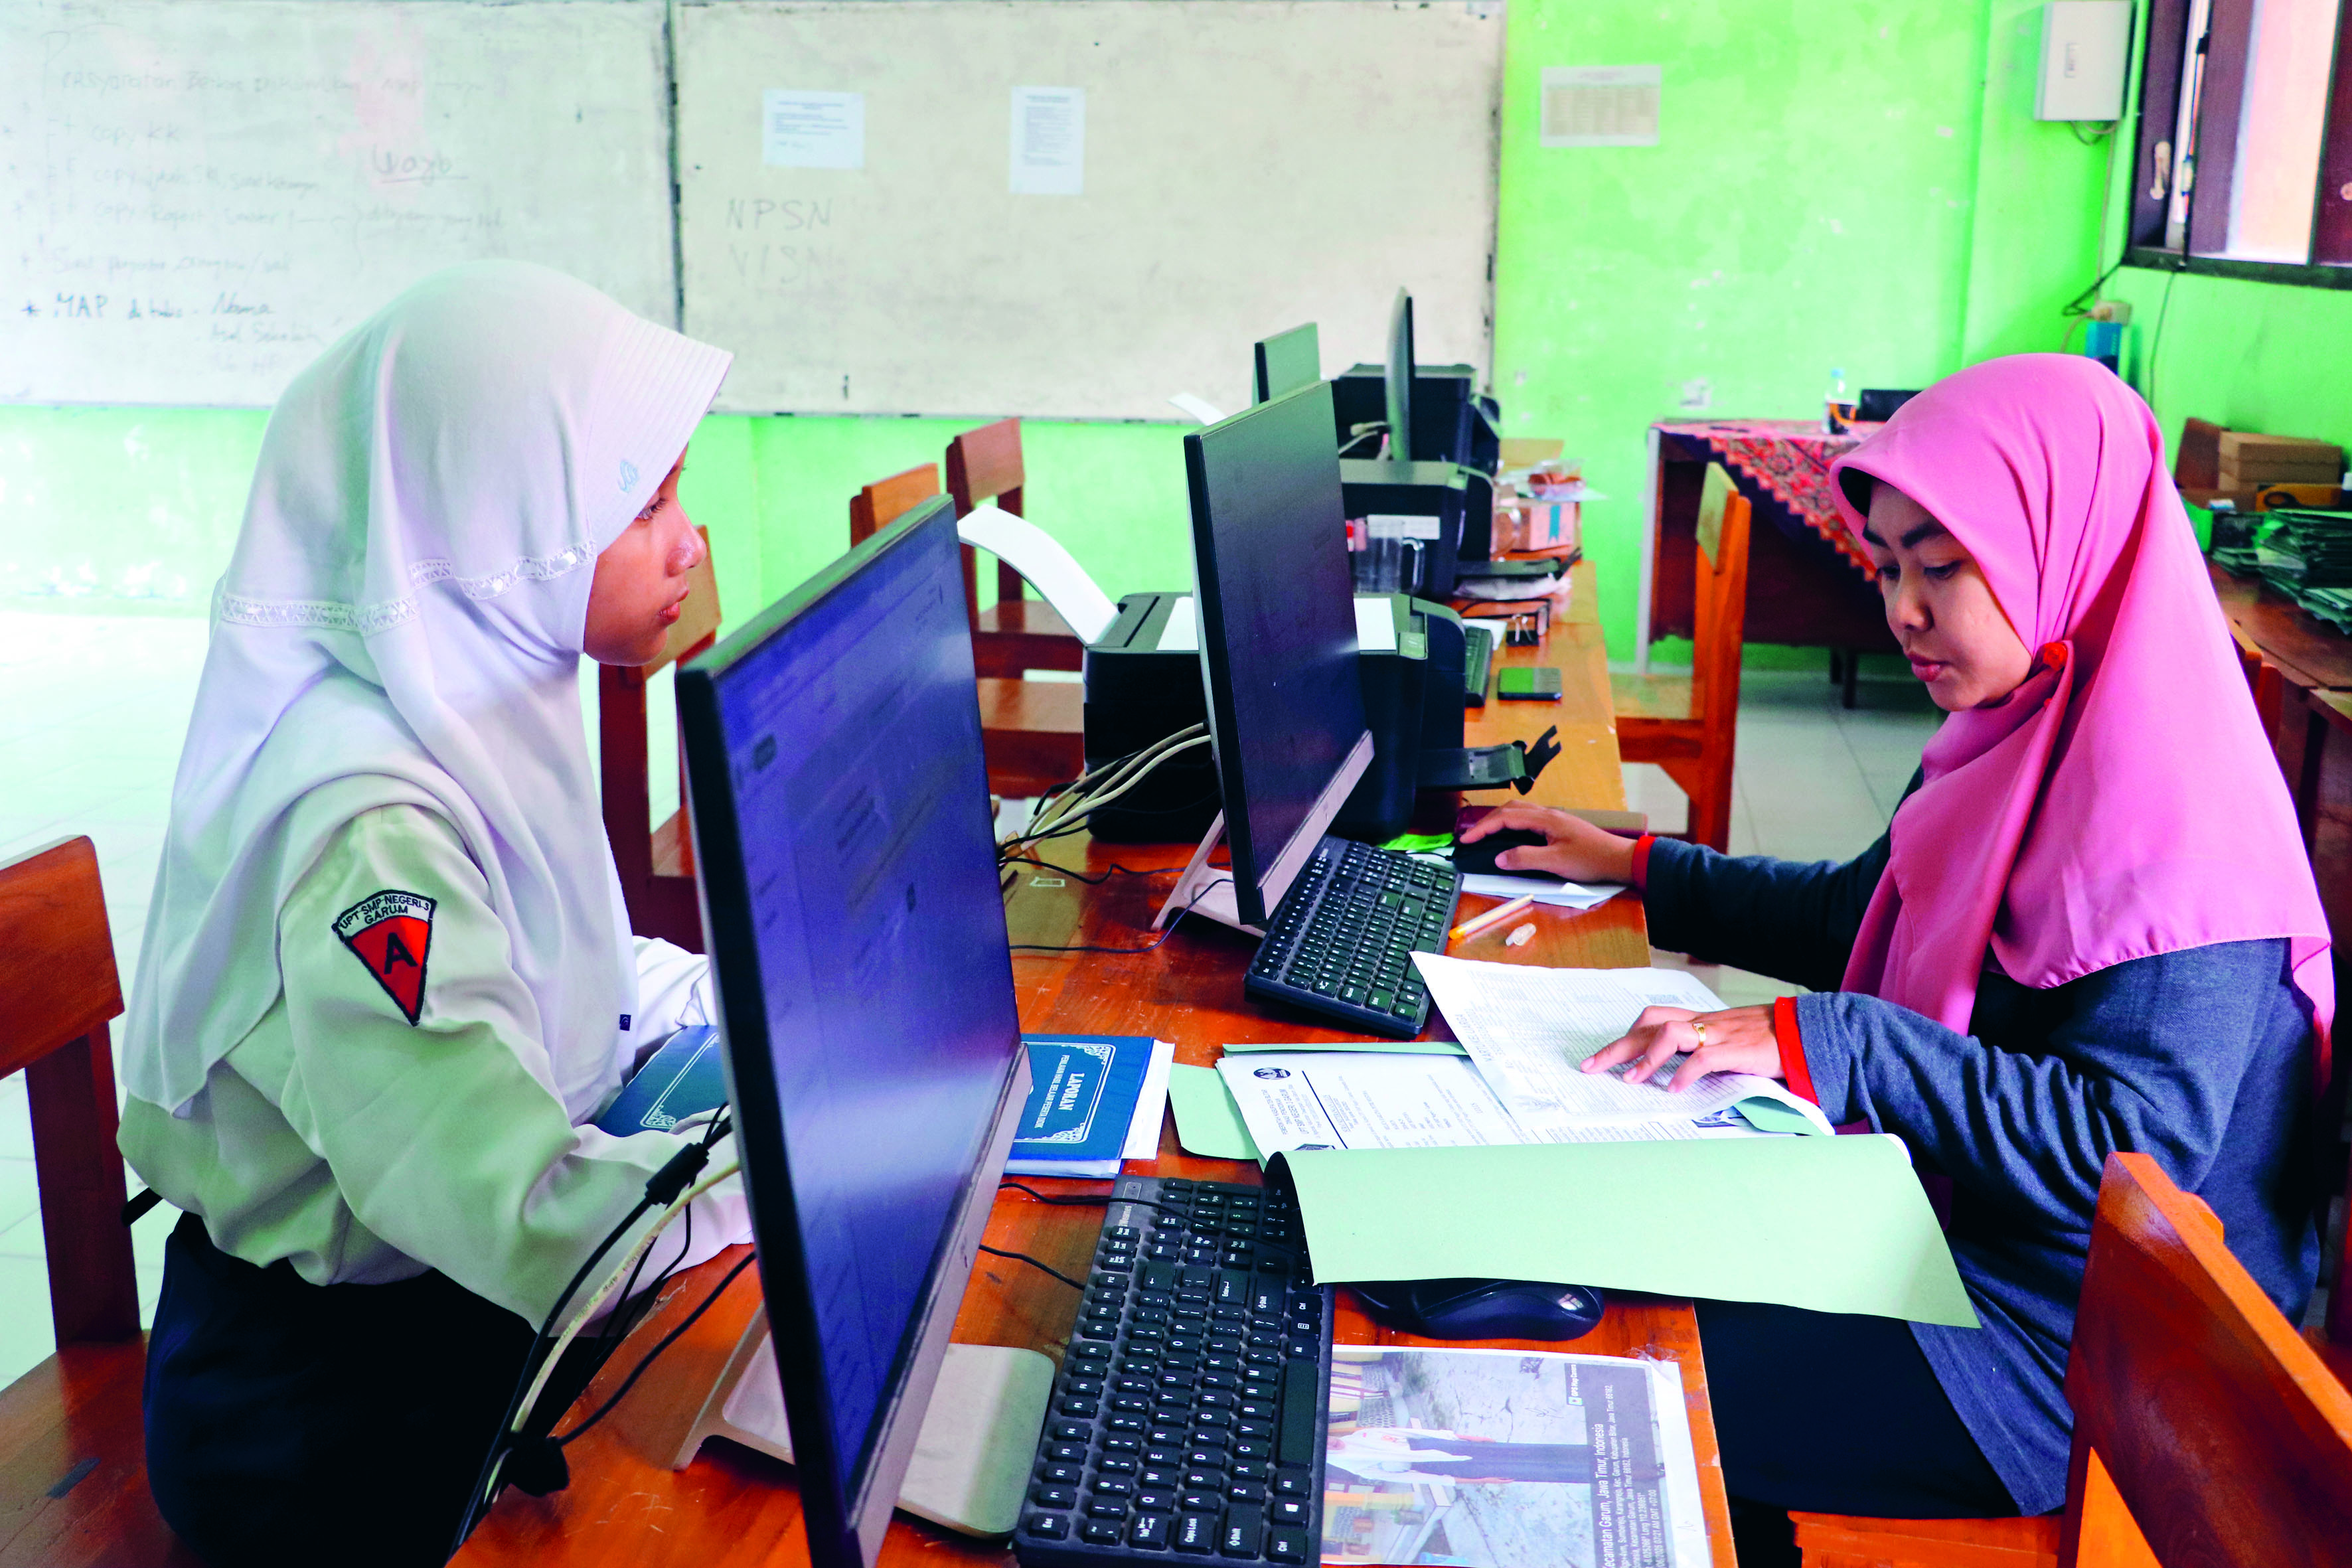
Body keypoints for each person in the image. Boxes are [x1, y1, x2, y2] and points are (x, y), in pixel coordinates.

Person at [1460, 355, 2329, 1557]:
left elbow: (2133, 1164)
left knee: (1617, 1365)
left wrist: (1835, 1040)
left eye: (1942, 566)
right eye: (1884, 566)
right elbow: (1860, 914)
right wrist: (1637, 865)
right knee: (1576, 1267)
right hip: (1939, 1241)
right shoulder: (2025, 731)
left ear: (2064, 541)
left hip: (2057, 1362)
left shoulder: (2185, 836)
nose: (1903, 612)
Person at [118, 262, 745, 1567]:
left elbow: (578, 966)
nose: (689, 542)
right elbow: (516, 1205)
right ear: (505, 524)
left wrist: (768, 1013)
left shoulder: (476, 695)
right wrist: (789, 1175)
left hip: (450, 1304)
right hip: (324, 1412)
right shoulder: (367, 838)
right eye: (648, 504)